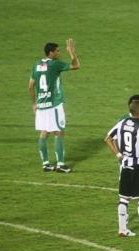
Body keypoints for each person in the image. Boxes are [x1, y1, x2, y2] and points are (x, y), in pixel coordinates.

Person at [105, 99, 139, 240]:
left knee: (123, 199)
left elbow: (108, 138)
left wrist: (118, 154)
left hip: (125, 164)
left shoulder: (122, 123)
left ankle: (122, 229)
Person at [29, 39, 80, 173]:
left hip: (41, 105)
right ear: (51, 53)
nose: (59, 52)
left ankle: (45, 163)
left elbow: (31, 85)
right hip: (54, 105)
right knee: (59, 132)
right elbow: (76, 66)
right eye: (57, 51)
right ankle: (61, 165)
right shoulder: (55, 64)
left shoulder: (37, 65)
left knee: (44, 132)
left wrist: (34, 103)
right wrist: (72, 53)